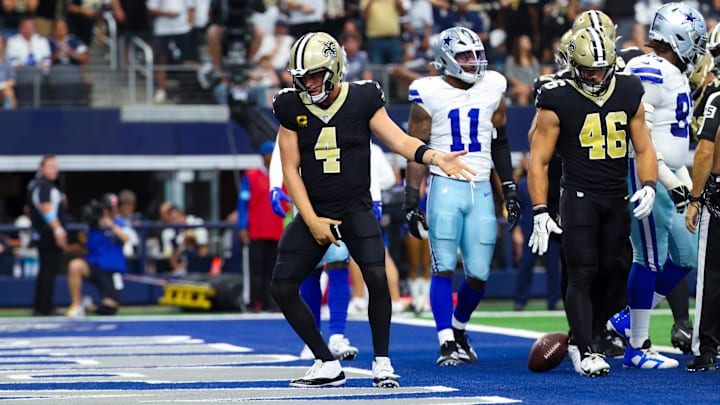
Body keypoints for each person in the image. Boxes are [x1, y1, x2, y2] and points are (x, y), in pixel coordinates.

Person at [270, 31, 476, 388]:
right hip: (315, 209)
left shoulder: (363, 97)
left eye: (315, 75)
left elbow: (398, 139)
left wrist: (434, 156)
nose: (307, 83)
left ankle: (382, 360)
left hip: (355, 208)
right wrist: (311, 218)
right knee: (281, 287)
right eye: (301, 77)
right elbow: (290, 168)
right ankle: (325, 361)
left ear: (334, 69)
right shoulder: (290, 105)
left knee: (377, 279)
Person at [528, 27, 658, 376]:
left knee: (615, 271)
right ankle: (585, 350)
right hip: (580, 197)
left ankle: (588, 334)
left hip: (617, 195)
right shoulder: (557, 96)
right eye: (588, 69)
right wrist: (540, 208)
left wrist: (649, 184)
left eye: (601, 68)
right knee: (582, 273)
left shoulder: (629, 90)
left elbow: (644, 147)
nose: (595, 76)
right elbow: (538, 159)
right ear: (573, 65)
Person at [403, 26, 520, 366]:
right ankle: (444, 341)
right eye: (466, 56)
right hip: (444, 184)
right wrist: (412, 200)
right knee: (442, 268)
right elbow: (415, 149)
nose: (474, 62)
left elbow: (499, 140)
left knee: (478, 275)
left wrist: (509, 187)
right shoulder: (428, 92)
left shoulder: (494, 86)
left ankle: (458, 329)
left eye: (477, 54)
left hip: (482, 186)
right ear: (446, 59)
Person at [605, 3, 707, 370]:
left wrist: (683, 183)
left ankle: (629, 318)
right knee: (647, 256)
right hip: (645, 173)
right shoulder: (649, 69)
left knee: (686, 253)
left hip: (671, 174)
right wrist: (665, 179)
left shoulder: (673, 72)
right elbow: (637, 134)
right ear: (678, 39)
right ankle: (637, 347)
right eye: (694, 41)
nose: (699, 50)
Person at [685, 44, 720, 372]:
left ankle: (707, 348)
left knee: (711, 276)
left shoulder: (716, 97)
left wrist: (695, 198)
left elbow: (705, 152)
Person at [238, 140, 284, 312]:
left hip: (276, 231)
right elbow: (243, 204)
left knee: (273, 269)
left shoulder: (282, 177)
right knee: (255, 269)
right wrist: (243, 227)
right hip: (256, 231)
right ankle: (253, 301)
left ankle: (270, 301)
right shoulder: (251, 176)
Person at [66, 193, 129, 318]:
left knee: (109, 308)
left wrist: (111, 225)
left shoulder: (119, 222)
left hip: (111, 268)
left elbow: (126, 238)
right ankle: (76, 304)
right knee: (75, 265)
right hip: (94, 264)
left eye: (113, 209)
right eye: (108, 209)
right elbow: (84, 240)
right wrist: (96, 223)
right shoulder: (93, 223)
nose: (111, 212)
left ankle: (88, 308)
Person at [27, 154, 68, 316]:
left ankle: (41, 305)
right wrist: (58, 230)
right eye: (50, 166)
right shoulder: (44, 186)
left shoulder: (36, 185)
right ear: (41, 168)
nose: (54, 170)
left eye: (55, 166)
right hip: (48, 233)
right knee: (48, 270)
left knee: (46, 269)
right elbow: (46, 209)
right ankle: (45, 307)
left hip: (42, 232)